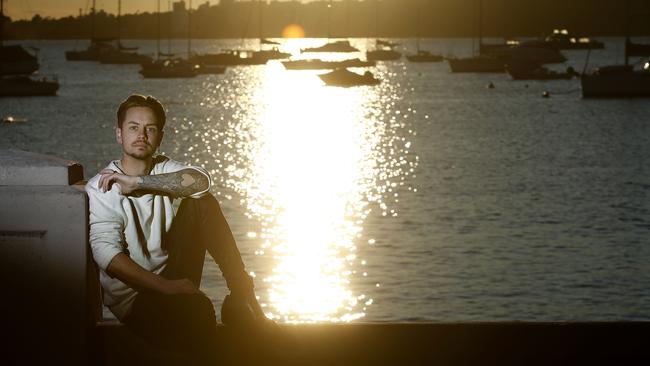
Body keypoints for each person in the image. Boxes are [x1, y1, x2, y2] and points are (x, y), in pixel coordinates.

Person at [85, 94, 269, 362]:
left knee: (201, 202)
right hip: (138, 299)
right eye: (133, 127)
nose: (141, 135)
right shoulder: (102, 187)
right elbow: (106, 256)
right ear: (119, 134)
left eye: (150, 129)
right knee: (201, 312)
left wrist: (137, 182)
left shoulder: (164, 169)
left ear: (159, 137)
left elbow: (202, 182)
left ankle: (242, 295)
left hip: (173, 274)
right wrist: (165, 287)